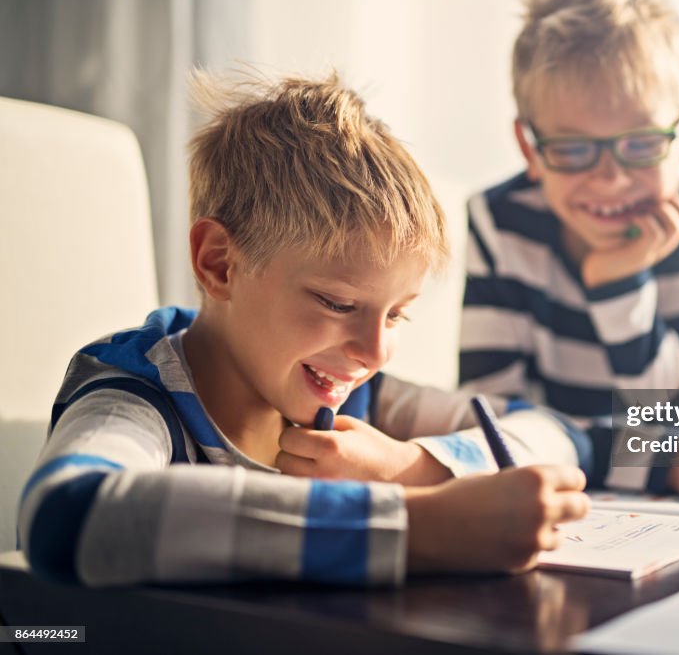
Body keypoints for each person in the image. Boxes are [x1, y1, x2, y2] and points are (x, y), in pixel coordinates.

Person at [18, 72, 590, 588]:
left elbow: (561, 433)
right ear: (220, 264)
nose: (374, 352)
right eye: (338, 303)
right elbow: (66, 517)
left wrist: (412, 468)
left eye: (396, 314)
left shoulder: (353, 395)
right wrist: (419, 528)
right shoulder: (138, 396)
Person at [459, 0, 679, 501]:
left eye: (641, 144)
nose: (610, 178)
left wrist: (621, 289)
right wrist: (661, 469)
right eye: (571, 147)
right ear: (529, 147)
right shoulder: (500, 223)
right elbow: (491, 425)